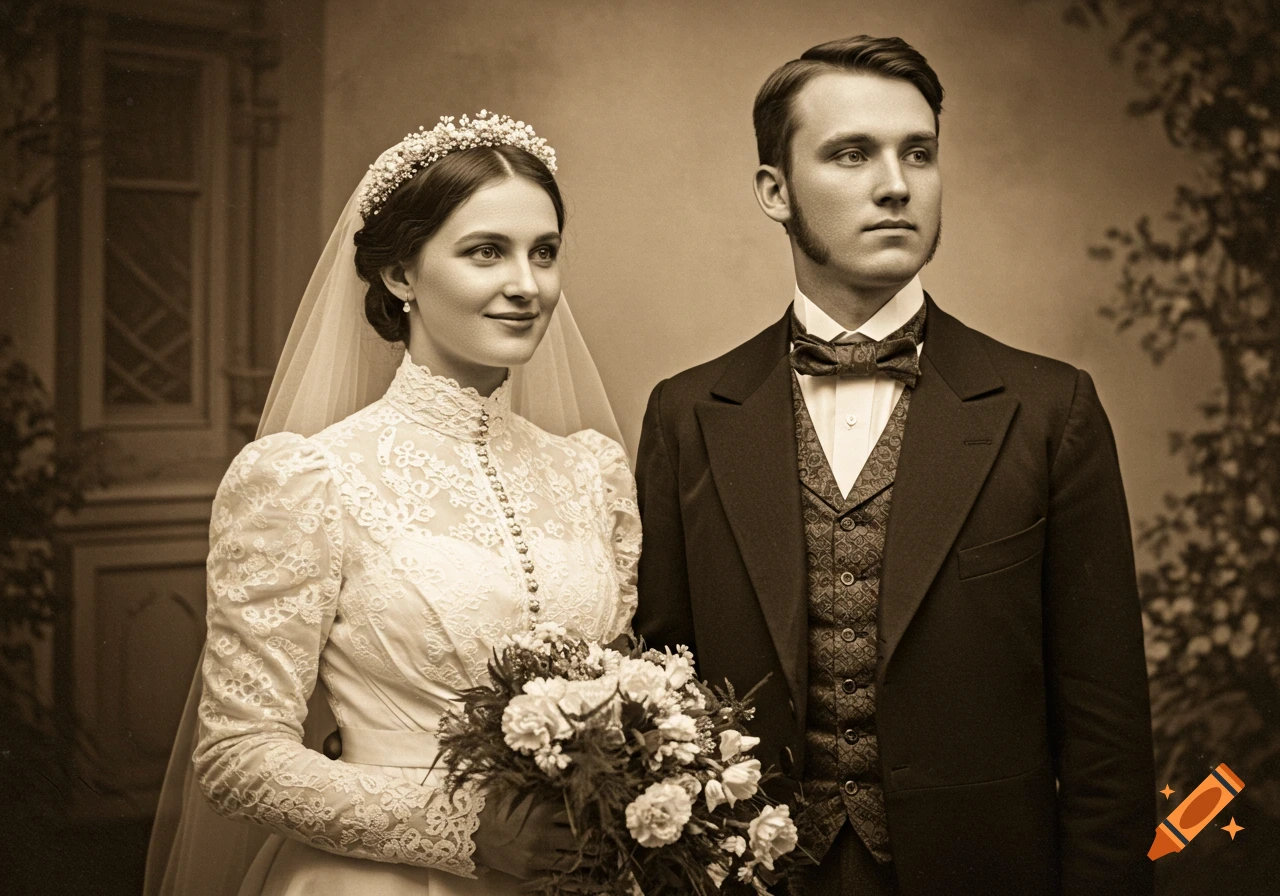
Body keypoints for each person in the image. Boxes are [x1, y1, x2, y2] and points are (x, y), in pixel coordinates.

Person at [632, 35, 1155, 895]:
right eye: (851, 154)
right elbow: (663, 692)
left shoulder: (1049, 408)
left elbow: (1108, 733)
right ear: (775, 191)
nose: (896, 184)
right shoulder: (687, 415)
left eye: (919, 152)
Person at [144, 112, 640, 896]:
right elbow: (237, 756)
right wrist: (460, 828)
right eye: (486, 252)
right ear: (401, 274)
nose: (527, 285)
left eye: (544, 253)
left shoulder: (589, 473)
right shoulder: (306, 479)